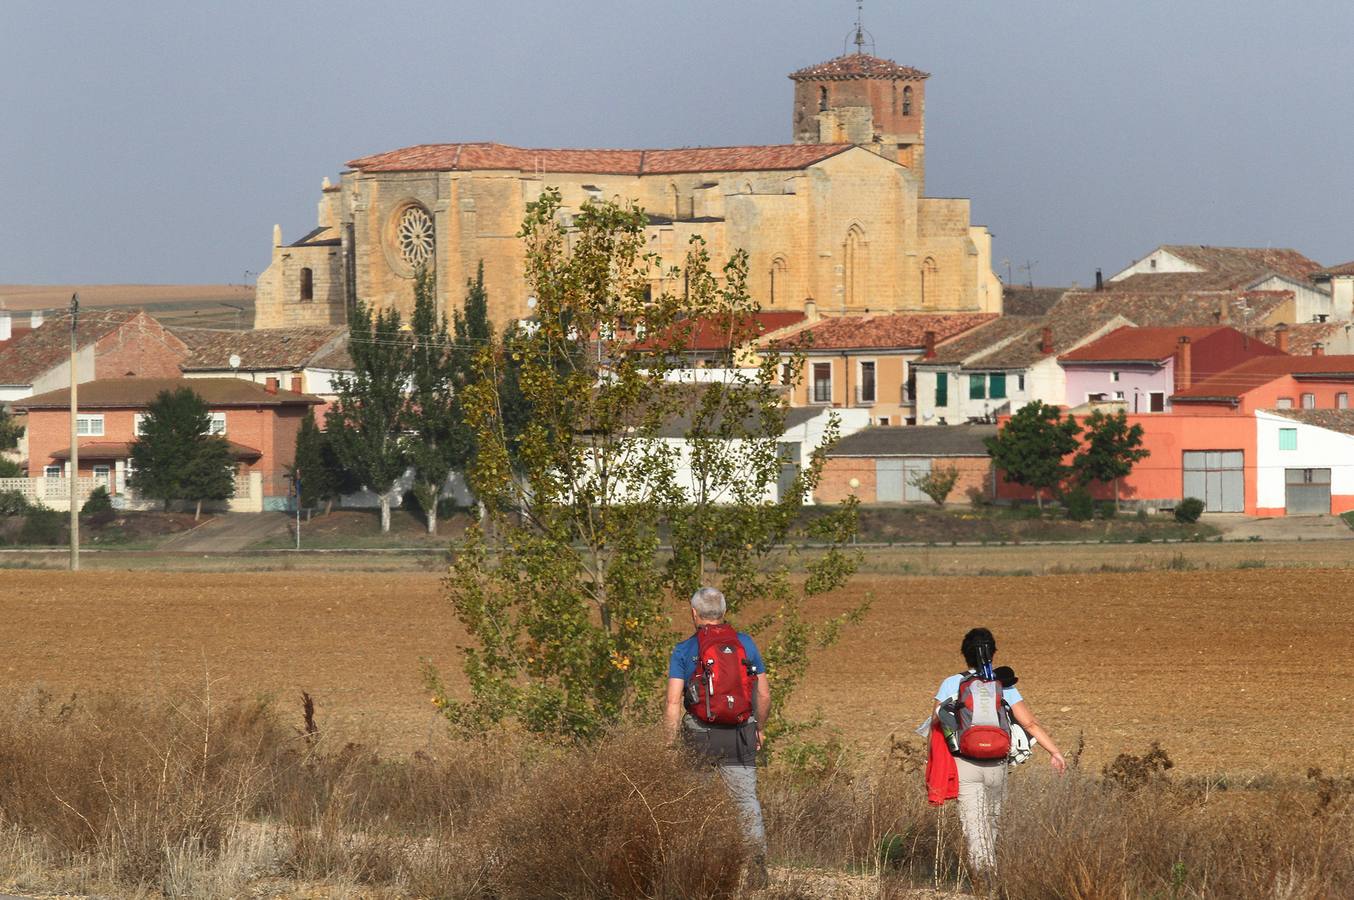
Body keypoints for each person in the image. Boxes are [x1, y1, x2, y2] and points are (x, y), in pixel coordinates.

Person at [935, 627, 1066, 873]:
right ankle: (990, 873)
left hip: (964, 765)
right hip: (997, 762)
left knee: (974, 825)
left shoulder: (951, 684)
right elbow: (1030, 723)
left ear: (965, 654)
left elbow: (936, 724)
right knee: (992, 822)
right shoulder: (1002, 684)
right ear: (993, 652)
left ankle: (984, 877)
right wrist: (1055, 752)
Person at [665, 586, 770, 881]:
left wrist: (670, 745)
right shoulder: (745, 644)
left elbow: (673, 701)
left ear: (694, 614)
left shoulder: (684, 650)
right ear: (723, 613)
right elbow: (763, 694)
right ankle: (757, 867)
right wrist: (759, 728)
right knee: (745, 800)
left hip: (699, 735)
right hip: (739, 733)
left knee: (694, 801)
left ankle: (698, 868)